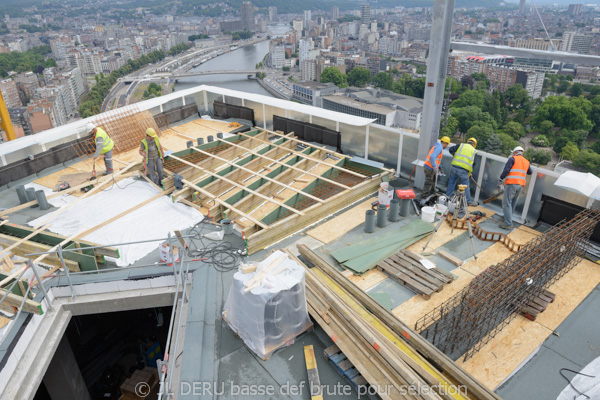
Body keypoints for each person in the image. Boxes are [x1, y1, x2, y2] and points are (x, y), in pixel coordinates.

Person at [498, 146, 532, 229]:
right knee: (513, 203)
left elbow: (506, 170)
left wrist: (501, 178)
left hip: (511, 183)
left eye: (513, 152)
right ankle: (507, 217)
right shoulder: (526, 161)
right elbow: (530, 172)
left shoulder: (512, 159)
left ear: (516, 152)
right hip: (520, 185)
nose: (512, 154)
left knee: (506, 203)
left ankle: (508, 224)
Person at [446, 138, 477, 205]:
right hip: (463, 170)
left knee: (451, 182)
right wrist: (470, 173)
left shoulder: (461, 145)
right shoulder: (474, 151)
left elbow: (451, 149)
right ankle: (468, 201)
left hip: (454, 167)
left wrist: (454, 155)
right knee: (465, 186)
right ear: (473, 144)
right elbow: (473, 163)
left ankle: (447, 196)